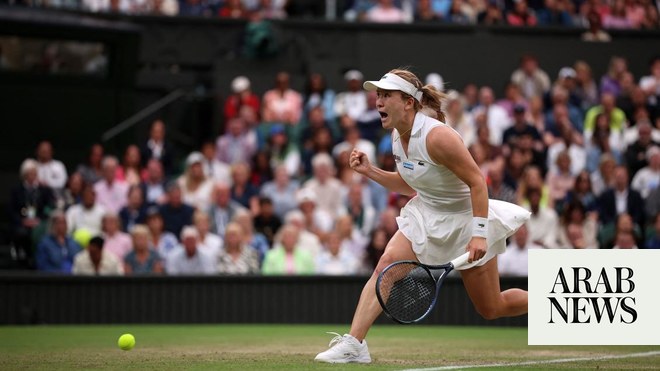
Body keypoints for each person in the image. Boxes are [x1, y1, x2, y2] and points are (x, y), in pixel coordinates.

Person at [314, 69, 530, 363]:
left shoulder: (438, 137)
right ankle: (355, 343)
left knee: (492, 308)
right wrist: (370, 171)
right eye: (377, 95)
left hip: (467, 219)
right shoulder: (396, 135)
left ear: (407, 102)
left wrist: (479, 232)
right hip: (426, 214)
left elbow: (478, 182)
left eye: (385, 95)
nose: (378, 101)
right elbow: (411, 183)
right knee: (386, 266)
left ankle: (546, 301)